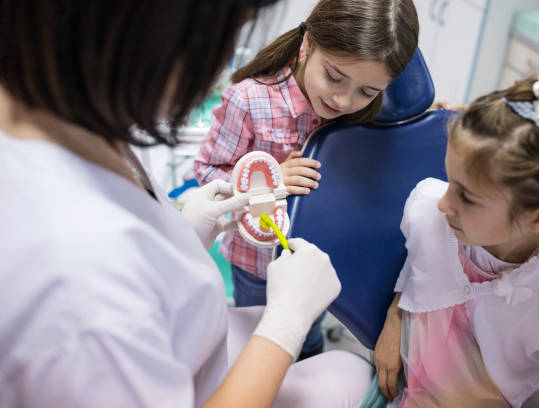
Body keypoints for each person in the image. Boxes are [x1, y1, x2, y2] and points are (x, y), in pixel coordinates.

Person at [0, 1, 373, 407]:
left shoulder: (81, 124)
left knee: (349, 368)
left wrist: (183, 233)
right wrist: (284, 326)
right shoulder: (82, 290)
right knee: (347, 375)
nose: (217, 67)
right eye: (224, 40)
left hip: (187, 342)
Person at [374, 60, 539, 407]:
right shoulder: (427, 208)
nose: (444, 203)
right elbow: (421, 261)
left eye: (466, 195)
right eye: (450, 180)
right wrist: (395, 315)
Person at [192, 0, 419, 360]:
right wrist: (267, 181)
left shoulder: (369, 111)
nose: (344, 100)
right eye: (333, 76)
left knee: (309, 340)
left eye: (367, 91)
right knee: (267, 344)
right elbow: (206, 173)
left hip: (321, 260)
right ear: (307, 45)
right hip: (257, 265)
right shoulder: (249, 100)